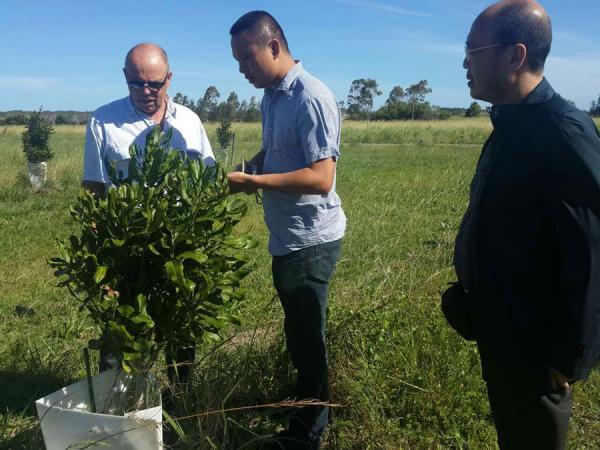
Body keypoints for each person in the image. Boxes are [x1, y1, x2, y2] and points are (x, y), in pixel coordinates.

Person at [442, 1, 600, 448]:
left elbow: (591, 246)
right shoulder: (511, 123)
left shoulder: (562, 131)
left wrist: (568, 356)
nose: (465, 63)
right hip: (504, 329)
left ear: (515, 55)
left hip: (537, 344)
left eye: (473, 50)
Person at [228, 11, 346, 449]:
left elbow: (320, 177)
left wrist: (254, 183)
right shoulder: (272, 96)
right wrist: (251, 167)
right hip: (287, 236)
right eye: (237, 61)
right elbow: (277, 152)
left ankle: (311, 429)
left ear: (273, 46)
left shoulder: (311, 97)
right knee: (298, 330)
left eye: (247, 57)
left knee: (306, 336)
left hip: (310, 239)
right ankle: (306, 405)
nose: (242, 69)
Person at [83, 43, 215, 383]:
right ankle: (115, 408)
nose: (146, 91)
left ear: (169, 79)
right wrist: (103, 261)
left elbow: (208, 183)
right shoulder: (103, 122)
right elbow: (94, 194)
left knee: (180, 338)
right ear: (125, 78)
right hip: (127, 250)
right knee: (121, 342)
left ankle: (181, 404)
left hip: (178, 247)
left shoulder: (189, 121)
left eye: (155, 84)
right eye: (137, 83)